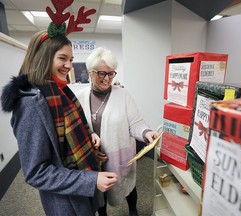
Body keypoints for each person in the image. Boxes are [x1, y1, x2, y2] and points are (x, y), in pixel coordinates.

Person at [0, 27, 118, 216]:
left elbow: (70, 131)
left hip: (81, 187)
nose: (69, 65)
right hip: (66, 201)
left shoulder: (60, 91)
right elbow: (36, 172)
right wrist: (91, 180)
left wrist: (90, 136)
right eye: (62, 58)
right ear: (43, 57)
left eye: (70, 60)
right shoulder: (31, 104)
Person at [75, 47, 159, 216]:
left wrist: (146, 133)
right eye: (101, 73)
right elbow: (77, 130)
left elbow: (135, 122)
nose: (107, 79)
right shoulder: (79, 97)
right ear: (90, 73)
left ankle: (133, 212)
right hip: (92, 158)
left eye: (111, 73)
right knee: (99, 193)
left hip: (120, 156)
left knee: (128, 186)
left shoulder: (123, 95)